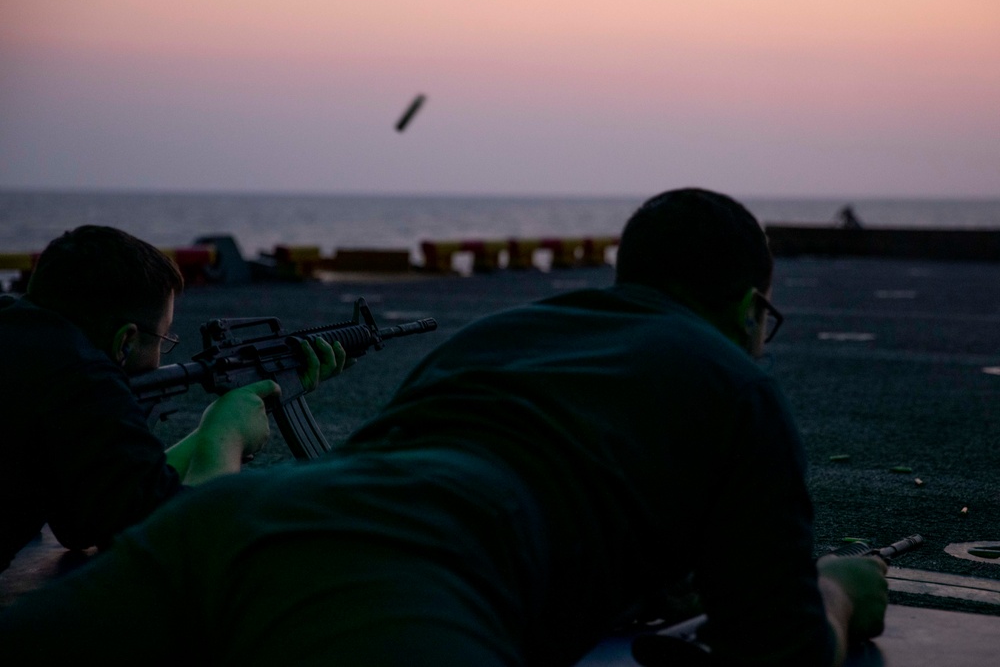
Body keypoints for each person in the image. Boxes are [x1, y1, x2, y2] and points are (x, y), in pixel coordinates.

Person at [0, 190, 886, 666]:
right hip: (409, 579)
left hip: (230, 531)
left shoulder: (507, 334)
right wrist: (839, 587)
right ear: (746, 306)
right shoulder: (733, 379)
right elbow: (783, 651)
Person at [0, 225, 347, 573]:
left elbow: (84, 522)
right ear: (125, 342)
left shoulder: (35, 351)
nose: (161, 358)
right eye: (163, 339)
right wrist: (224, 439)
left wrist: (212, 428)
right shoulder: (82, 379)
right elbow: (187, 543)